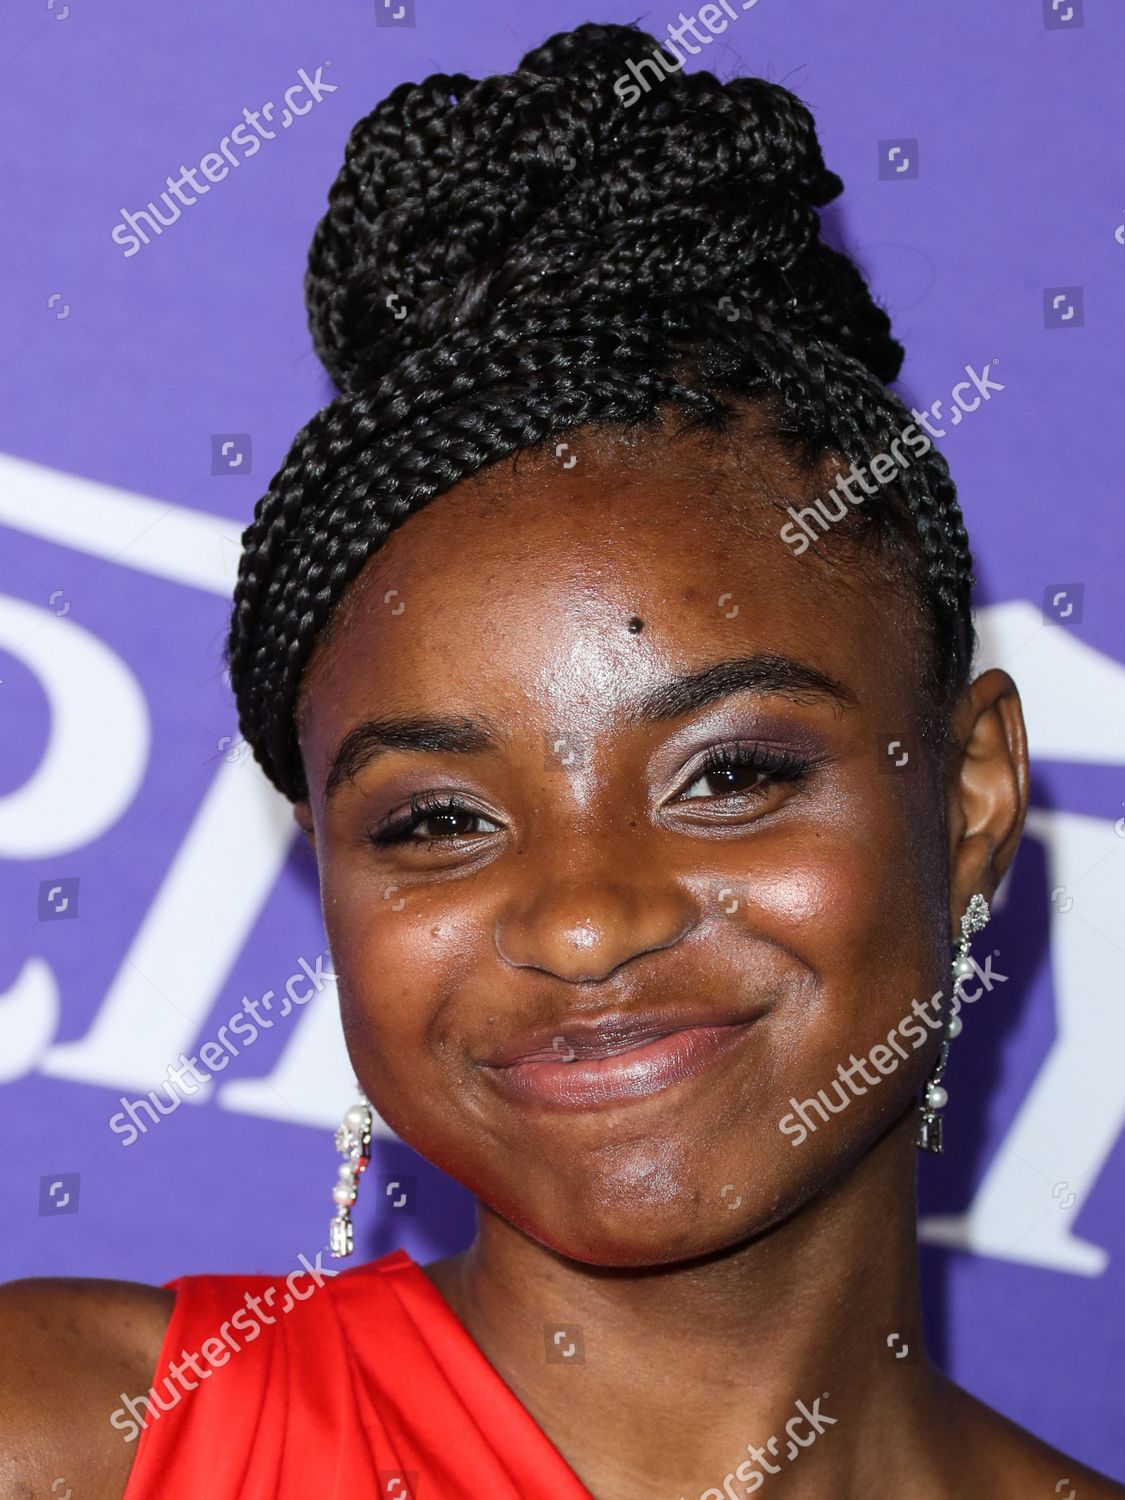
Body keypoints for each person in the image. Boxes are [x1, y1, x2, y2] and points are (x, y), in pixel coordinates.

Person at [2, 20, 1121, 1500]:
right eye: (439, 819)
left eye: (726, 775)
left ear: (971, 791)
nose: (584, 922)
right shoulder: (71, 1444)